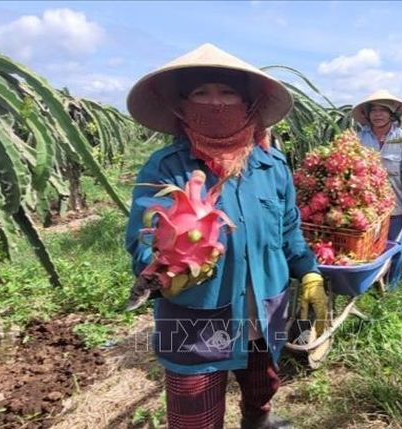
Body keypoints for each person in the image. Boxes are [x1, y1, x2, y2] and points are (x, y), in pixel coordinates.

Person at [125, 43, 328, 429]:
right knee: (194, 411)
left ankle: (258, 421)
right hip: (196, 313)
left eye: (227, 92)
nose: (215, 103)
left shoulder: (272, 166)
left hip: (264, 306)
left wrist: (310, 271)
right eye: (201, 93)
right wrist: (167, 270)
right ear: (183, 105)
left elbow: (288, 230)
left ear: (249, 102)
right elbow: (141, 238)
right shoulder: (167, 168)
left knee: (262, 385)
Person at [352, 90, 402, 288]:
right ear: (367, 115)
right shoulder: (359, 138)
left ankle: (391, 287)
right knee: (368, 246)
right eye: (373, 110)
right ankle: (371, 284)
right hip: (366, 207)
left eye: (383, 110)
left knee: (395, 247)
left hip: (395, 206)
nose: (377, 114)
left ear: (393, 115)